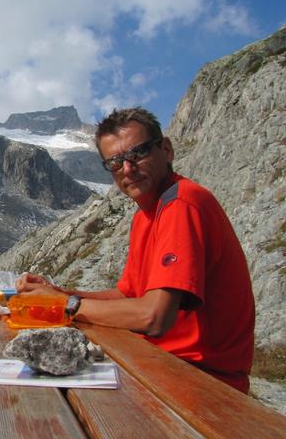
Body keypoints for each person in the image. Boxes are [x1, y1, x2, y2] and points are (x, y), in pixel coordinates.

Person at [16, 107, 255, 394]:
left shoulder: (182, 204)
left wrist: (65, 306)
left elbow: (154, 317)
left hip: (204, 384)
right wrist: (59, 293)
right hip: (165, 368)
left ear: (166, 150)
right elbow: (127, 296)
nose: (127, 169)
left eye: (138, 153)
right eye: (115, 162)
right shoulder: (146, 215)